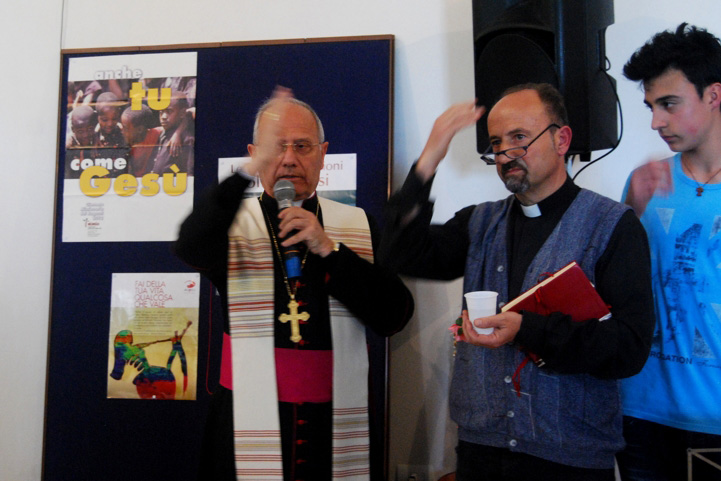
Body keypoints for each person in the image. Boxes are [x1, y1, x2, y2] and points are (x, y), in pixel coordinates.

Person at [379, 83, 654, 481]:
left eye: (519, 138)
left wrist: (529, 329)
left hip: (570, 458)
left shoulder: (611, 225)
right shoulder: (479, 223)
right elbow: (398, 253)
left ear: (562, 139)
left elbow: (629, 349)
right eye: (496, 143)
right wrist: (429, 160)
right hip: (482, 452)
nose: (505, 154)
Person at [174, 88, 414, 481]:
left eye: (302, 146)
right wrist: (245, 174)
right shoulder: (231, 225)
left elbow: (394, 316)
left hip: (332, 428)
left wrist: (329, 250)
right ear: (255, 153)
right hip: (243, 426)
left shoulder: (358, 226)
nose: (288, 159)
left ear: (323, 154)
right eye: (275, 148)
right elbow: (189, 244)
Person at [616, 24, 721, 481]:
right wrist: (626, 210)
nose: (656, 121)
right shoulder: (647, 184)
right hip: (642, 413)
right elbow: (613, 285)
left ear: (714, 95)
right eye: (651, 107)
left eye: (669, 104)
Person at [151, 91, 195, 175]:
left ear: (182, 113)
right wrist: (170, 168)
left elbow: (189, 172)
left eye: (169, 111)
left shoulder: (187, 139)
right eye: (161, 112)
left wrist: (174, 171)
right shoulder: (164, 133)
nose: (163, 117)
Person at [120, 104, 162, 177]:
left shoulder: (154, 134)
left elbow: (173, 125)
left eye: (125, 128)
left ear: (140, 129)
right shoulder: (126, 144)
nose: (122, 131)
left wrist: (177, 134)